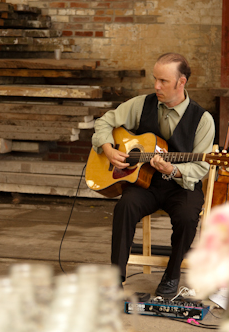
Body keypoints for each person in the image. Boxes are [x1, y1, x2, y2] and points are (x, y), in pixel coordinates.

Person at [91, 52, 215, 297]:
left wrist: (174, 169)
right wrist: (107, 148)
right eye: (155, 79)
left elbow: (202, 167)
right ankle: (116, 277)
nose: (156, 86)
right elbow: (104, 122)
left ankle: (171, 276)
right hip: (145, 183)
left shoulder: (202, 120)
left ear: (182, 82)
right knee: (125, 206)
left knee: (188, 216)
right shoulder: (141, 104)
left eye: (164, 81)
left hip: (181, 186)